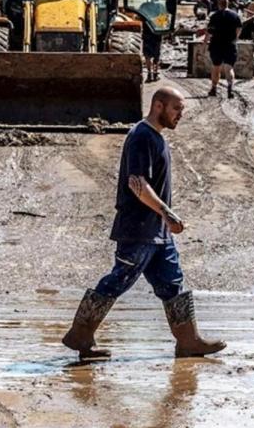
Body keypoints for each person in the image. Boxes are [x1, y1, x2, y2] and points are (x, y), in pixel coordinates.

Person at [62, 87, 226, 360]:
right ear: (159, 106)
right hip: (139, 229)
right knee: (119, 279)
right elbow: (137, 184)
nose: (180, 115)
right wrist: (167, 213)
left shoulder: (156, 137)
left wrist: (164, 219)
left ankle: (188, 342)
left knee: (173, 283)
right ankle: (80, 335)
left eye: (182, 110)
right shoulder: (142, 136)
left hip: (157, 233)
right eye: (177, 109)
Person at [205, 0, 242, 99]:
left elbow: (209, 31)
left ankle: (213, 88)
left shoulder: (214, 16)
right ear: (228, 3)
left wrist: (204, 43)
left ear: (218, 4)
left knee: (216, 67)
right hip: (230, 45)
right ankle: (230, 88)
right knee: (229, 68)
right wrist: (235, 38)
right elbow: (239, 29)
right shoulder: (235, 16)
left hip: (216, 45)